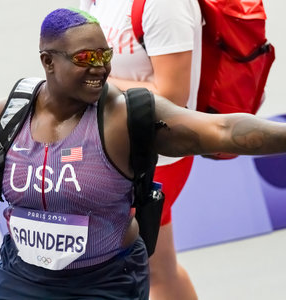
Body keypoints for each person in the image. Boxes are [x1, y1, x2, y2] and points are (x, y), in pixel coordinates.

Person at [0, 7, 286, 300]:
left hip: (106, 286)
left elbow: (222, 129)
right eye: (84, 59)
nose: (100, 67)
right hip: (22, 283)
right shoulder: (2, 119)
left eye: (104, 54)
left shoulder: (126, 117)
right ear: (48, 62)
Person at [79, 1, 202, 298]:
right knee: (159, 269)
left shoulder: (164, 5)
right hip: (114, 150)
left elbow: (173, 96)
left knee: (112, 273)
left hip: (155, 160)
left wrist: (89, 82)